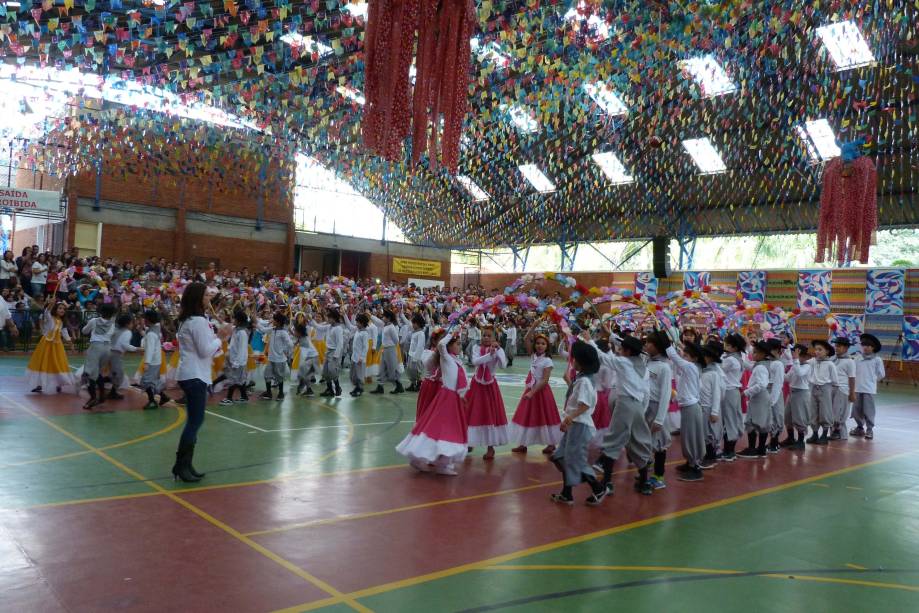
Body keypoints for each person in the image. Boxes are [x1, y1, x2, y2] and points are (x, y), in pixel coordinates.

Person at [173, 282, 228, 482]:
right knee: (195, 422)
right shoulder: (196, 321)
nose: (209, 299)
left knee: (195, 421)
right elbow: (205, 350)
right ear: (198, 299)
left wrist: (216, 340)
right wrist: (221, 337)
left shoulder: (193, 319)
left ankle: (185, 465)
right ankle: (181, 466)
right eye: (206, 296)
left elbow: (205, 349)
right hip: (194, 375)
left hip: (194, 373)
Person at [395, 331, 469, 475]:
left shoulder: (456, 360)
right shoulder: (446, 357)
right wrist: (450, 335)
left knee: (446, 430)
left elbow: (460, 379)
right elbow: (441, 345)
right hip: (446, 398)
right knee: (441, 430)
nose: (461, 346)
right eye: (458, 344)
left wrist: (463, 395)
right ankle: (429, 460)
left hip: (454, 399)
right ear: (449, 346)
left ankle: (441, 461)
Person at [549, 340, 607, 506]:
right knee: (560, 457)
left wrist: (569, 418)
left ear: (580, 363)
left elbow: (584, 405)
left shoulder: (584, 382)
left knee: (576, 461)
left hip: (580, 425)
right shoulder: (582, 379)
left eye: (574, 358)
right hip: (575, 424)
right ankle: (567, 493)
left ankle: (597, 488)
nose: (571, 361)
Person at [595, 334, 654, 495]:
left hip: (625, 405)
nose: (619, 351)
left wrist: (588, 340)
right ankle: (644, 481)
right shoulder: (643, 367)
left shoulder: (623, 362)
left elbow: (601, 357)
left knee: (613, 441)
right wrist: (641, 409)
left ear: (627, 351)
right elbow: (647, 393)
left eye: (621, 349)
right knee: (639, 440)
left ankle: (606, 482)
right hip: (638, 406)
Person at [508, 330, 561, 455]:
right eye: (537, 343)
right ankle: (522, 443)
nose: (540, 345)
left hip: (541, 392)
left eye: (543, 343)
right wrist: (534, 326)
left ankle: (551, 443)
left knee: (546, 416)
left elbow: (545, 380)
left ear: (547, 346)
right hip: (531, 389)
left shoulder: (547, 361)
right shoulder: (534, 356)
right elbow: (526, 338)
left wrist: (532, 392)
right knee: (525, 415)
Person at [665, 333, 706, 482]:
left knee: (691, 437)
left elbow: (676, 359)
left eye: (687, 355)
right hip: (689, 406)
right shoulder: (691, 368)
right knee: (688, 436)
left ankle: (695, 468)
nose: (684, 357)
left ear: (694, 358)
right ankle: (690, 462)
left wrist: (667, 345)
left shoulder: (691, 367)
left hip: (691, 407)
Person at [465, 324, 509, 461]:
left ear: (494, 337)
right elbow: (475, 361)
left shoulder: (497, 349)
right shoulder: (476, 347)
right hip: (477, 384)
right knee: (471, 412)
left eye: (489, 336)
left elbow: (503, 365)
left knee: (490, 414)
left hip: (490, 386)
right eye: (484, 335)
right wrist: (489, 355)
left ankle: (491, 448)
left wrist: (498, 352)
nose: (485, 337)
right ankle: (470, 441)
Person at [643, 331, 673, 489]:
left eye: (650, 343)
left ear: (659, 347)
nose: (646, 345)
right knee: (646, 440)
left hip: (656, 408)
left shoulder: (665, 367)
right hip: (646, 406)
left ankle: (659, 476)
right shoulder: (648, 362)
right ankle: (645, 472)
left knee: (660, 443)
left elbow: (666, 393)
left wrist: (660, 419)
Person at [25, 301, 75, 394]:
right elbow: (47, 312)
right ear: (55, 309)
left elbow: (65, 334)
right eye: (60, 308)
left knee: (57, 363)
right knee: (43, 363)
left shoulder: (62, 322)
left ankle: (58, 383)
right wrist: (51, 303)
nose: (62, 310)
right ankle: (40, 384)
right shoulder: (50, 318)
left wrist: (71, 345)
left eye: (64, 309)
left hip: (57, 346)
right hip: (46, 345)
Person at [738, 341, 774, 459]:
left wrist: (746, 393)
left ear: (763, 354)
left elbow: (761, 384)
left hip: (760, 397)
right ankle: (760, 449)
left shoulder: (761, 367)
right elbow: (748, 365)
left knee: (753, 422)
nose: (753, 354)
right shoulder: (761, 364)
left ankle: (754, 449)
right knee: (760, 422)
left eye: (755, 353)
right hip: (760, 397)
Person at [81, 303, 117, 410]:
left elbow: (84, 331)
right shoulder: (113, 324)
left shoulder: (94, 321)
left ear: (101, 311)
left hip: (95, 347)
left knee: (90, 373)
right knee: (99, 373)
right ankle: (101, 396)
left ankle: (93, 398)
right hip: (107, 348)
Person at [850, 333, 885, 440]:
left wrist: (872, 381)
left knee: (868, 410)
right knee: (856, 410)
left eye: (868, 346)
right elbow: (853, 373)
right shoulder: (857, 359)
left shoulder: (877, 360)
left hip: (869, 389)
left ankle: (869, 429)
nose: (865, 347)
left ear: (873, 348)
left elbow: (881, 374)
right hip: (857, 389)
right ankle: (860, 428)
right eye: (864, 345)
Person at [720, 333, 746, 462]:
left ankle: (729, 451)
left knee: (729, 421)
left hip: (729, 392)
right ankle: (729, 450)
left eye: (728, 345)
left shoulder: (730, 359)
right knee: (732, 420)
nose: (726, 346)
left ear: (735, 347)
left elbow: (719, 369)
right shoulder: (739, 357)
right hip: (734, 392)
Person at [699, 340, 725, 469]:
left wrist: (715, 411)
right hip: (703, 406)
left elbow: (718, 393)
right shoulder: (704, 370)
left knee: (710, 433)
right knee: (704, 432)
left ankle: (711, 457)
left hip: (710, 407)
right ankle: (707, 454)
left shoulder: (715, 373)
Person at [782, 343, 812, 450]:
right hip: (792, 392)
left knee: (800, 417)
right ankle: (790, 438)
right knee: (787, 416)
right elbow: (787, 378)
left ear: (805, 356)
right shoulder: (796, 365)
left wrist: (795, 360)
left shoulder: (807, 366)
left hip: (801, 393)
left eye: (797, 355)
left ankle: (800, 441)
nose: (795, 356)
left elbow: (799, 373)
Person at [807, 339, 837, 445]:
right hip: (813, 388)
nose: (817, 352)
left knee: (825, 412)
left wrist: (831, 394)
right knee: (813, 411)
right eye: (816, 349)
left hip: (825, 389)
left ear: (827, 352)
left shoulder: (830, 364)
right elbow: (803, 362)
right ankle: (815, 433)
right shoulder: (812, 361)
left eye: (820, 349)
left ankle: (824, 434)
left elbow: (835, 381)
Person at [221, 310, 252, 405]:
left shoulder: (242, 333)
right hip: (234, 359)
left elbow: (242, 349)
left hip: (239, 361)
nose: (233, 320)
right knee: (239, 379)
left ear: (239, 320)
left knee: (233, 379)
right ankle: (244, 397)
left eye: (234, 318)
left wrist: (237, 363)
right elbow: (228, 326)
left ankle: (229, 398)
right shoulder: (236, 329)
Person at [140, 309, 169, 410]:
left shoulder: (151, 333)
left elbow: (150, 349)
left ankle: (152, 401)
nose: (143, 320)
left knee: (145, 381)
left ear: (148, 320)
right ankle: (164, 397)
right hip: (157, 359)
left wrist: (147, 362)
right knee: (151, 381)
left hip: (152, 361)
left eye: (144, 319)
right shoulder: (155, 328)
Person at [370, 309, 404, 394]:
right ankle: (380, 387)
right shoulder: (386, 326)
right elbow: (378, 321)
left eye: (384, 316)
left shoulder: (391, 328)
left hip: (390, 350)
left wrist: (392, 350)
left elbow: (396, 341)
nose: (382, 317)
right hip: (384, 349)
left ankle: (398, 385)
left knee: (391, 369)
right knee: (381, 368)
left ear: (388, 318)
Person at [261, 312, 293, 401]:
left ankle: (281, 393)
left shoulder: (283, 332)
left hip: (279, 359)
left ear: (278, 322)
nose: (273, 321)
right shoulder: (273, 329)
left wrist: (284, 351)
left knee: (279, 376)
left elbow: (290, 344)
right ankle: (268, 393)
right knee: (267, 375)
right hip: (271, 358)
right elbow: (263, 329)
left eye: (274, 320)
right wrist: (256, 324)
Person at [109, 313, 140, 400]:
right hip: (115, 354)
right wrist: (136, 349)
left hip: (107, 352)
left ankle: (111, 390)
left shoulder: (116, 329)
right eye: (132, 323)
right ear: (127, 324)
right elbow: (124, 345)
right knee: (118, 374)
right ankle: (112, 392)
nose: (133, 325)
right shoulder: (127, 332)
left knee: (111, 372)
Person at [830, 337, 856, 441]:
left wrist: (852, 393)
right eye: (836, 346)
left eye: (839, 346)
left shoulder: (849, 361)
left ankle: (838, 431)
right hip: (832, 388)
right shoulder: (833, 359)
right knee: (832, 411)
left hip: (843, 389)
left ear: (846, 348)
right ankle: (837, 433)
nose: (836, 348)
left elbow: (852, 378)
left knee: (839, 412)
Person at [320, 309, 344, 397]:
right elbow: (319, 327)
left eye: (329, 318)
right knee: (325, 372)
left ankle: (338, 387)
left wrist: (336, 355)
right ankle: (329, 389)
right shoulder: (329, 326)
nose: (328, 320)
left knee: (332, 371)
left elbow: (340, 343)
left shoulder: (338, 328)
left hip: (334, 352)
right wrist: (310, 320)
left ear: (334, 318)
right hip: (328, 351)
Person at [348, 313, 371, 397]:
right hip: (354, 357)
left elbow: (365, 347)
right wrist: (344, 315)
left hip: (360, 359)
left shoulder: (364, 333)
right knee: (353, 375)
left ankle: (359, 388)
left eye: (358, 322)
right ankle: (358, 388)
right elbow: (349, 326)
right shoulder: (358, 331)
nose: (356, 324)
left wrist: (362, 357)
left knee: (359, 375)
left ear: (362, 323)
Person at [293, 321, 319, 396]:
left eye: (295, 331)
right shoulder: (303, 337)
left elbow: (304, 354)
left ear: (299, 332)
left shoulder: (304, 341)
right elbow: (297, 339)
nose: (294, 332)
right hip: (312, 357)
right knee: (305, 375)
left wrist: (302, 364)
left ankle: (307, 389)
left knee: (304, 374)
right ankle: (308, 389)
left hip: (311, 359)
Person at [405, 314, 427, 392]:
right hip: (411, 354)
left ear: (418, 323)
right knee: (410, 370)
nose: (413, 325)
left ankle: (419, 383)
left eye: (414, 323)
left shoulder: (421, 333)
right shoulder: (414, 332)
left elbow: (420, 347)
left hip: (416, 356)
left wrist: (416, 358)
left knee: (416, 370)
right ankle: (412, 383)